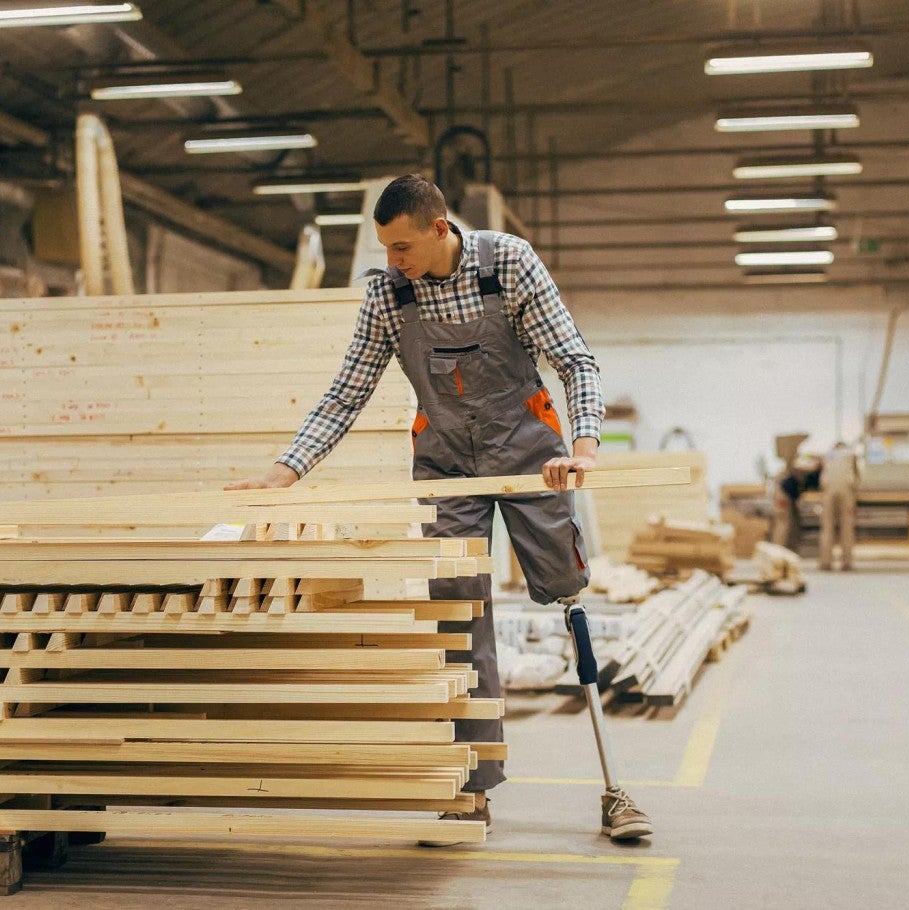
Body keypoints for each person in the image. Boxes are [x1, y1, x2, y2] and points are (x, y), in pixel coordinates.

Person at [226, 174, 652, 845]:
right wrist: (284, 474)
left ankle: (615, 788)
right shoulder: (388, 294)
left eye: (403, 246)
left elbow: (573, 360)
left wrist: (586, 448)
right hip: (447, 467)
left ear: (439, 225)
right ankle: (470, 789)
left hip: (529, 452)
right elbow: (346, 394)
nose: (395, 260)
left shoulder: (508, 264)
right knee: (459, 612)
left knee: (565, 589)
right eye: (386, 248)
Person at [817, 441, 860, 570]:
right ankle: (847, 563)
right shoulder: (851, 455)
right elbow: (857, 475)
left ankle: (826, 562)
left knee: (827, 527)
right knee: (847, 527)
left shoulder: (827, 455)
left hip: (828, 491)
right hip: (846, 491)